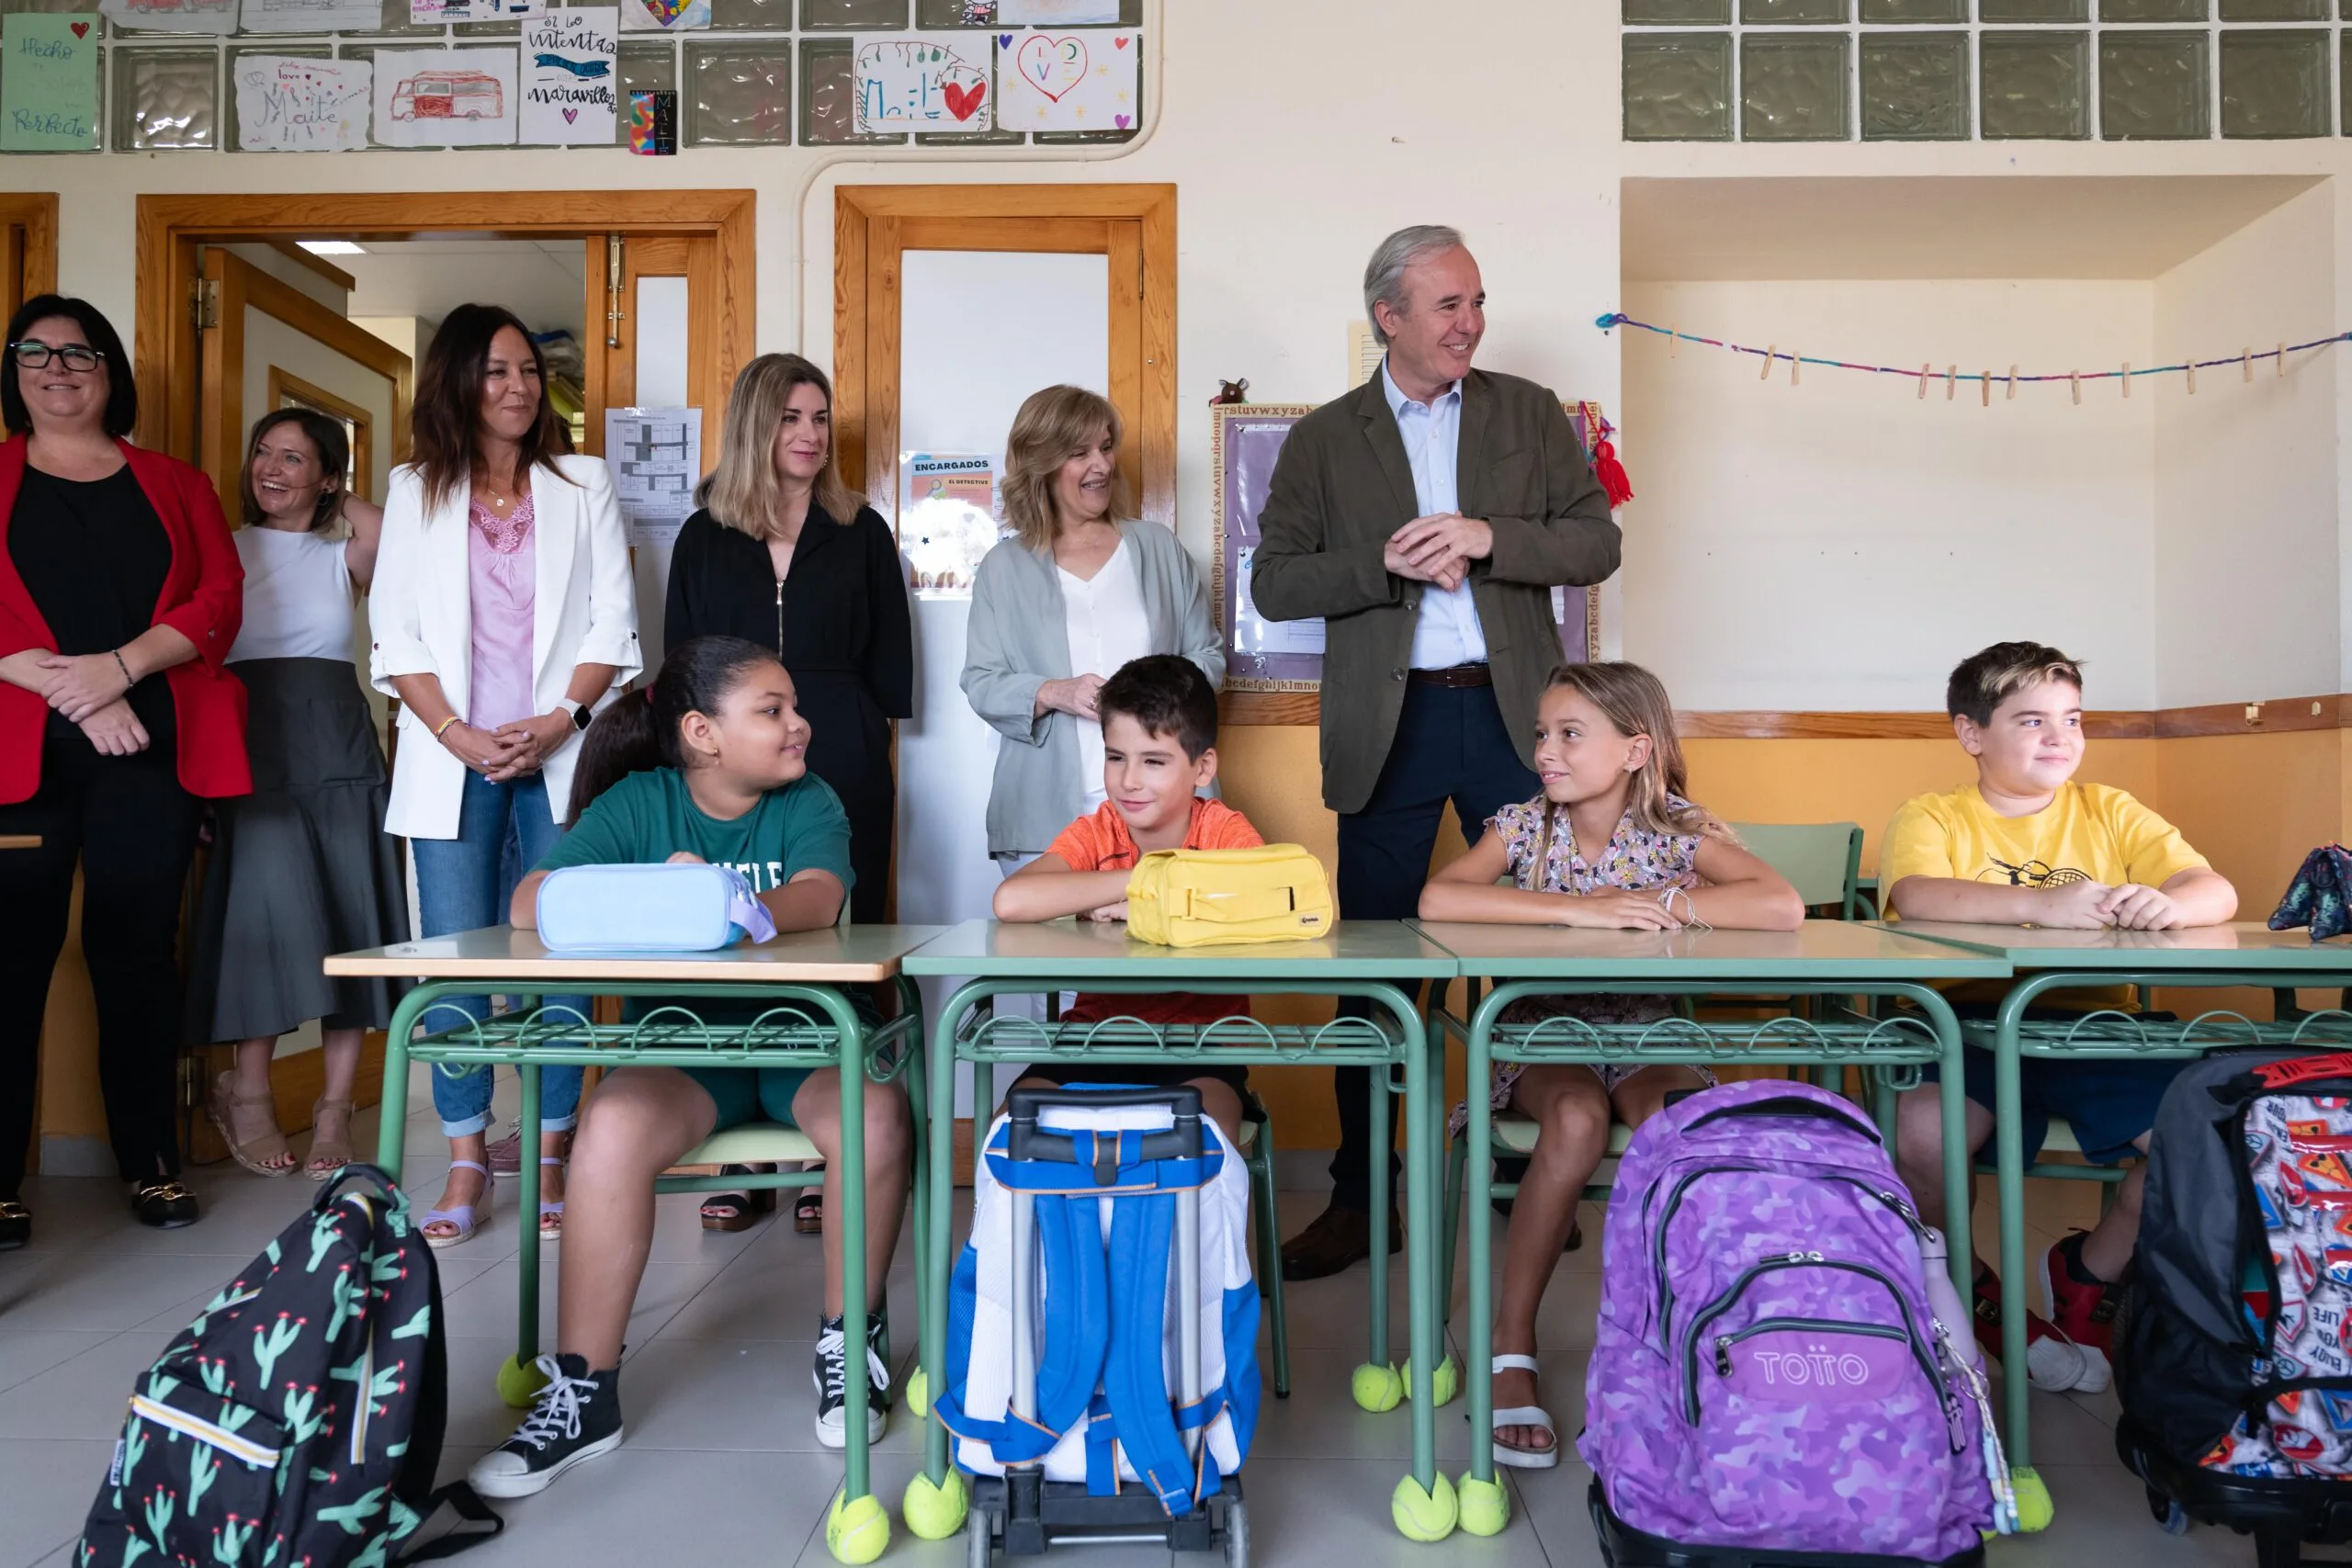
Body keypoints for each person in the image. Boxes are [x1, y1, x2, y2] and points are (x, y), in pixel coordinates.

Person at [1251, 226, 1622, 1281]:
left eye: (1476, 302)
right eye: (1448, 306)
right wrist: (1380, 563)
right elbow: (1275, 585)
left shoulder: (1528, 414)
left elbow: (1596, 541)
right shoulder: (1325, 439)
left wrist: (1490, 538)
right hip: (1389, 726)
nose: (1471, 323)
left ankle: (1529, 1174)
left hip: (1518, 722)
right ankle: (1365, 1201)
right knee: (1373, 977)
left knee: (1536, 960)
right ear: (1390, 317)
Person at [467, 636, 911, 1495]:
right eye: (772, 711)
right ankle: (583, 1391)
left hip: (803, 1044)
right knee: (608, 1127)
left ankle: (849, 1342)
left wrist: (732, 907)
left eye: (793, 706)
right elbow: (532, 905)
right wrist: (659, 895)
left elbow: (822, 893)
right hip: (684, 1055)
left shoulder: (810, 799)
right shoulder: (640, 802)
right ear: (703, 733)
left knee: (877, 1110)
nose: (799, 725)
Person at [1420, 660, 1802, 1469]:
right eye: (1540, 734)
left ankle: (1680, 1342)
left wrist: (1668, 903)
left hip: (1648, 1034)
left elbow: (1779, 904)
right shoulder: (1524, 827)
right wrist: (1576, 909)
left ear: (1635, 750)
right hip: (1542, 1034)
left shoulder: (1678, 827)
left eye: (1568, 734)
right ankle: (1511, 1337)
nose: (1545, 752)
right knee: (1574, 1119)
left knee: (1677, 1130)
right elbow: (1440, 899)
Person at [1884, 640, 2238, 1396]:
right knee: (1921, 1134)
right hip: (1962, 1023)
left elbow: (2215, 889)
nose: (2060, 737)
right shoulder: (1934, 814)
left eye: (2073, 718)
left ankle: (2087, 1270)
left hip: (2092, 1027)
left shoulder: (2110, 809)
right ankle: (1965, 1290)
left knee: (2203, 1145)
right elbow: (1917, 896)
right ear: (1971, 733)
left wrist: (2173, 902)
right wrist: (2042, 905)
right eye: (2033, 720)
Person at [369, 303, 641, 1247]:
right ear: (455, 383)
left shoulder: (582, 482)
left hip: (559, 749)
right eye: (494, 372)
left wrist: (558, 720)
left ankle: (556, 1146)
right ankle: (465, 1155)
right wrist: (452, 731)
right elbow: (394, 633)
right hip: (451, 753)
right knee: (454, 962)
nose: (517, 387)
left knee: (562, 954)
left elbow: (616, 623)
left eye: (527, 370)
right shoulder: (414, 490)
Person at [0, 295, 250, 1243]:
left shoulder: (175, 483)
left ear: (111, 370)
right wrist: (68, 690)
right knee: (9, 963)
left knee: (138, 957)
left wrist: (120, 671)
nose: (59, 369)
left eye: (80, 353)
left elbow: (219, 598)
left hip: (149, 750)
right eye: (37, 353)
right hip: (19, 758)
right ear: (14, 373)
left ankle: (149, 1165)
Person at [664, 353, 911, 1234]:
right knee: (736, 934)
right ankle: (745, 1149)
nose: (809, 436)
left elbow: (892, 668)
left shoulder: (862, 526)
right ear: (754, 425)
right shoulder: (704, 534)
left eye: (819, 419)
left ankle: (826, 1151)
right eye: (790, 418)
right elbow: (682, 668)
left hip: (839, 743)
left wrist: (843, 729)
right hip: (727, 761)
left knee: (837, 940)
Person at [186, 409, 408, 1180]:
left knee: (349, 922)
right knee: (268, 919)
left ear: (328, 476)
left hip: (338, 744)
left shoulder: (338, 553)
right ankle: (245, 1090)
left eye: (293, 457)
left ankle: (334, 1107)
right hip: (250, 743)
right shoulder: (224, 546)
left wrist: (336, 495)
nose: (271, 469)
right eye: (262, 453)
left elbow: (394, 530)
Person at [992, 654, 1259, 1145]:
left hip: (1203, 1048)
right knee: (1009, 1132)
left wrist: (1155, 906)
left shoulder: (1221, 830)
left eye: (1153, 761)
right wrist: (1138, 878)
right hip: (1094, 1038)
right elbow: (1012, 900)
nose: (1129, 780)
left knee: (1204, 1141)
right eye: (1116, 757)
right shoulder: (1099, 832)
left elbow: (1267, 898)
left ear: (1203, 768)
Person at [962, 385, 1224, 870]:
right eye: (1079, 453)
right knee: (1050, 946)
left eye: (1105, 447)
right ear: (1041, 464)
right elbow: (980, 683)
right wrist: (1056, 692)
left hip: (1162, 811)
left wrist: (1152, 694)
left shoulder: (1158, 548)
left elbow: (1209, 658)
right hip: (1043, 817)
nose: (1101, 465)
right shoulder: (1003, 567)